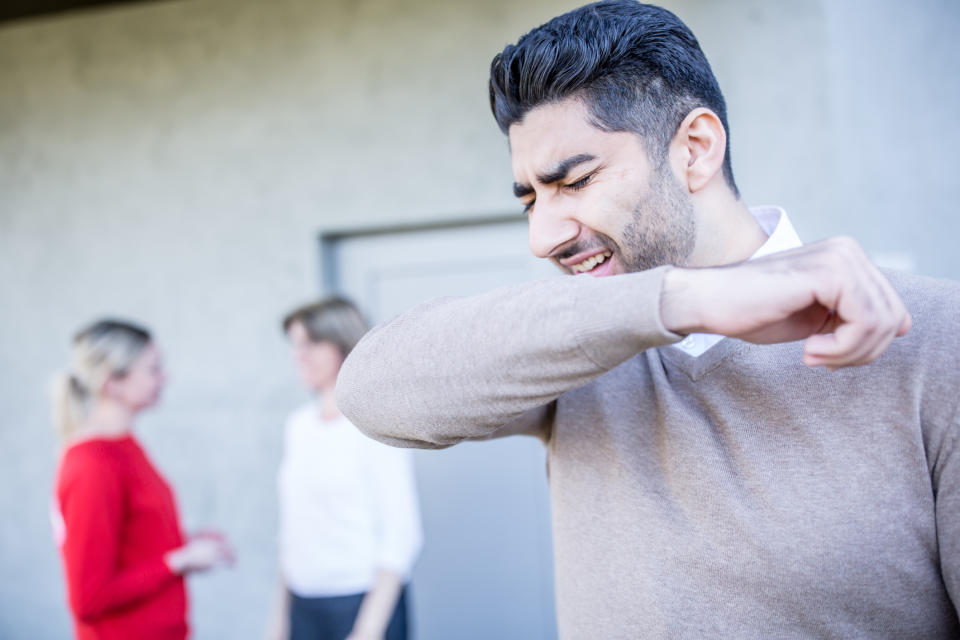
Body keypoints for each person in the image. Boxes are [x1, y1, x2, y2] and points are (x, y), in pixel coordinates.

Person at [335, 1, 960, 638]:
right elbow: (371, 389)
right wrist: (688, 301)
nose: (542, 237)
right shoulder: (579, 344)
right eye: (530, 200)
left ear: (695, 148)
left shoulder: (940, 338)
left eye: (574, 182)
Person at [50, 319, 235, 640]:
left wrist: (186, 543)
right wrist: (180, 560)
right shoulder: (92, 465)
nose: (164, 378)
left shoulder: (123, 446)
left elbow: (131, 543)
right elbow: (88, 598)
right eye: (153, 369)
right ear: (114, 383)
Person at [269, 297, 422, 640]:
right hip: (303, 605)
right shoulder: (298, 425)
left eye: (310, 344)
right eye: (295, 345)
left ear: (342, 344)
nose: (299, 356)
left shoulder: (376, 424)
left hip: (362, 605)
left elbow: (402, 536)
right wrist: (278, 623)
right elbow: (292, 532)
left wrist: (367, 630)